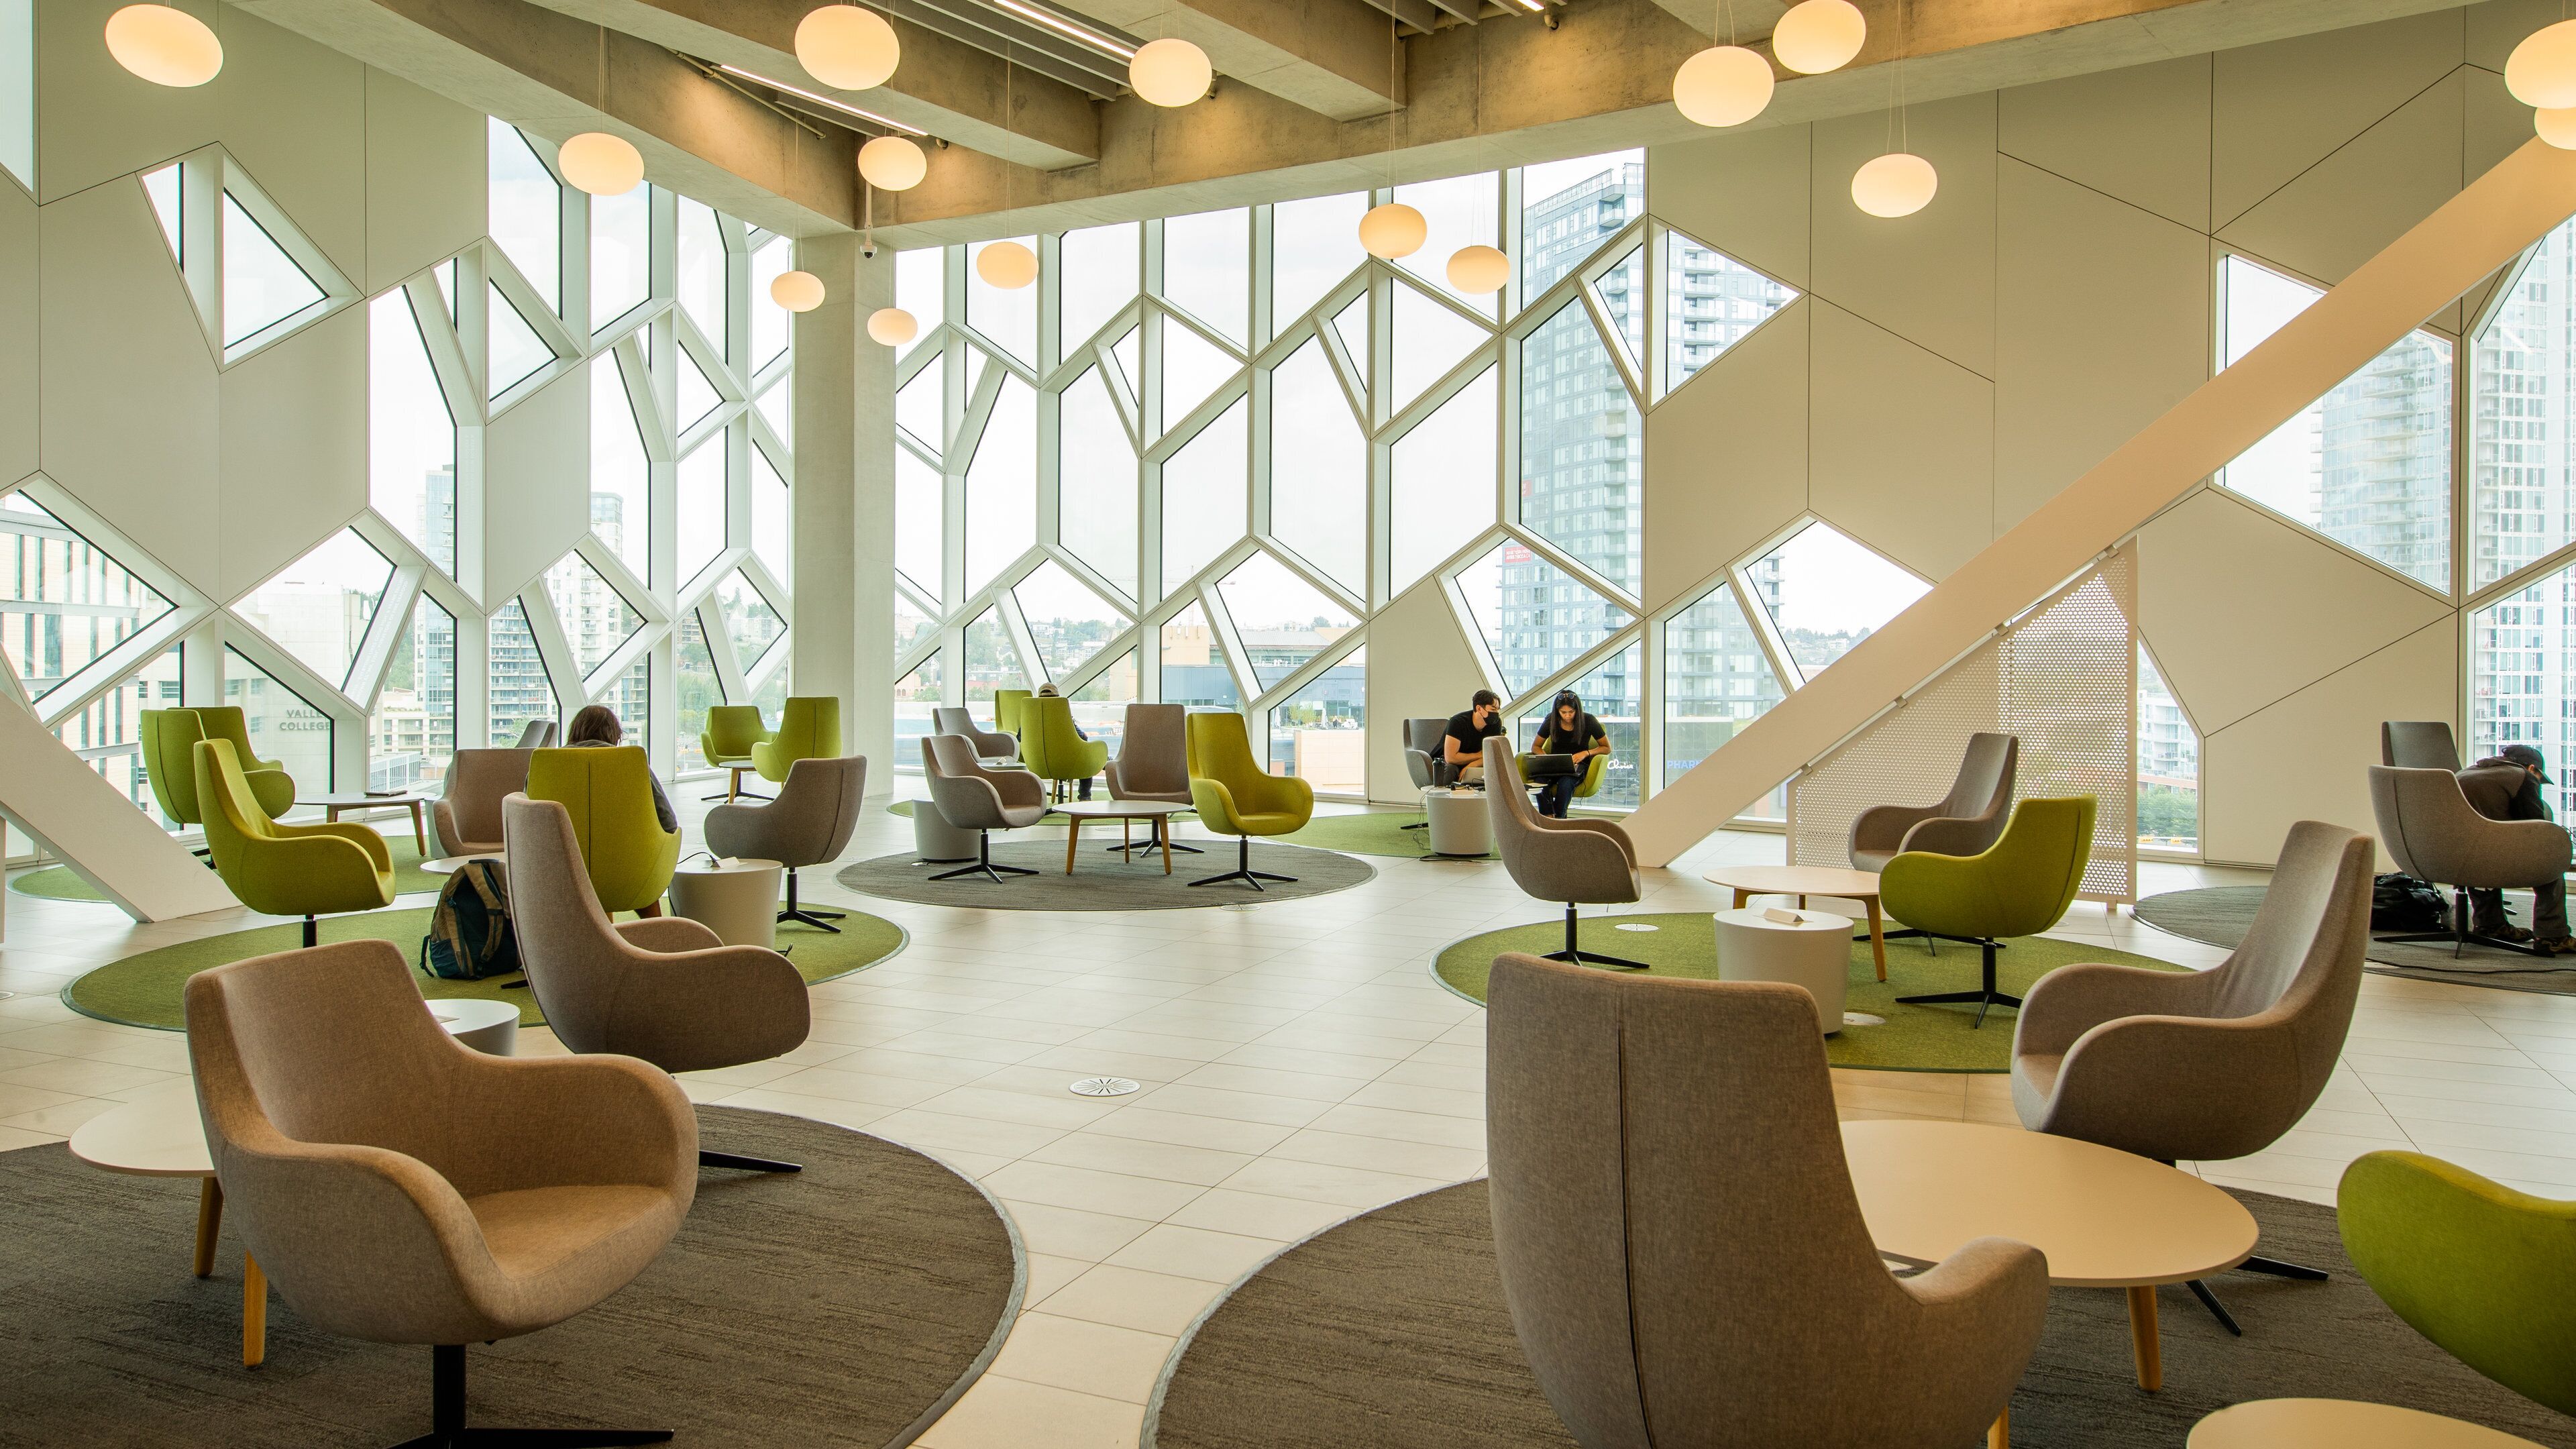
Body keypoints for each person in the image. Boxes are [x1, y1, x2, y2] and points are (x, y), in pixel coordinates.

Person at [2457, 742, 2573, 955]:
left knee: (2483, 848)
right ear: (2531, 769)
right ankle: (2553, 935)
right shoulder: (2522, 776)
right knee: (2551, 860)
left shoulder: (2464, 773)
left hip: (2451, 859)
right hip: (2488, 858)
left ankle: (2491, 924)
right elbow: (2535, 827)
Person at [564, 704, 678, 835]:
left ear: (575, 730)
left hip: (560, 851)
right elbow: (668, 822)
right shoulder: (631, 760)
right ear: (614, 733)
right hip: (630, 851)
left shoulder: (549, 760)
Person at [1527, 689, 1611, 818]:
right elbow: (1536, 746)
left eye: (1571, 712)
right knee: (1540, 781)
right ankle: (1548, 817)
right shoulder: (1551, 720)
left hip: (1578, 765)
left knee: (1566, 783)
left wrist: (1586, 753)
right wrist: (1547, 759)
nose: (1567, 716)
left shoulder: (1588, 720)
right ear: (1557, 712)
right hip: (1554, 766)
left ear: (1577, 710)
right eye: (1563, 712)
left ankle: (1560, 818)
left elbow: (1606, 748)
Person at [1033, 683, 1092, 800]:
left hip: (1037, 763)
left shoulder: (1030, 714)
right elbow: (1083, 737)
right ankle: (1085, 797)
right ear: (1058, 699)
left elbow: (1020, 738)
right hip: (1065, 763)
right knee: (1087, 757)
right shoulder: (1062, 715)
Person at [1442, 690, 1508, 786]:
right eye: (1493, 709)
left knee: (1497, 767)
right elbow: (1451, 758)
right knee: (1451, 769)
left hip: (1475, 762)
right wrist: (1480, 755)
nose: (1496, 713)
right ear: (1479, 708)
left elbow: (1492, 755)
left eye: (1498, 709)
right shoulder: (1458, 722)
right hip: (1449, 763)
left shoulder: (1495, 723)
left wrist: (1472, 765)